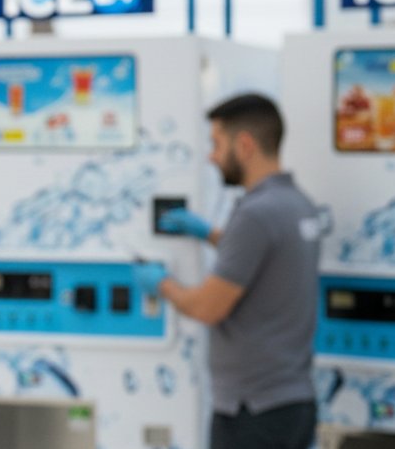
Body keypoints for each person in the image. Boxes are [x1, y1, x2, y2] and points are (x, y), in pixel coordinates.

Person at [134, 94, 321, 449]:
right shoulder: (299, 204)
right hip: (293, 403)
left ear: (245, 145)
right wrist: (210, 234)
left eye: (216, 144)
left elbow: (207, 308)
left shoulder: (255, 214)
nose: (211, 156)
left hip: (252, 410)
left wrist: (161, 283)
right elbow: (267, 259)